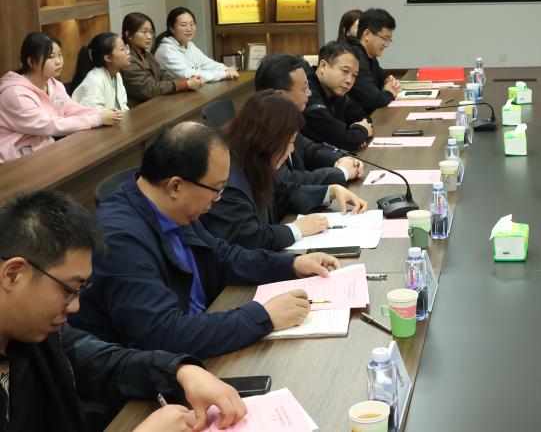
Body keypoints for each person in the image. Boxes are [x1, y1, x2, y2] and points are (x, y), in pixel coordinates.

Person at [70, 122, 344, 358]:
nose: (218, 199)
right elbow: (161, 334)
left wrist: (291, 265)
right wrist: (264, 316)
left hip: (204, 331)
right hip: (167, 368)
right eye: (216, 189)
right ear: (175, 186)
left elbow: (221, 255)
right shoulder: (120, 238)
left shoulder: (171, 208)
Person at [0, 190, 249, 432]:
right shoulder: (34, 328)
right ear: (13, 275)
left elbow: (105, 364)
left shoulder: (39, 334)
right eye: (68, 290)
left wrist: (180, 371)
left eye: (79, 291)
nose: (75, 306)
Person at [200, 91, 367, 251]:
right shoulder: (227, 181)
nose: (292, 149)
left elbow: (283, 194)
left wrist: (330, 191)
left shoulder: (253, 161)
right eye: (290, 141)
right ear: (267, 141)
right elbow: (250, 239)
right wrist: (296, 229)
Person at [0, 33, 119, 164]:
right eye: (51, 57)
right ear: (31, 62)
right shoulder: (14, 93)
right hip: (14, 161)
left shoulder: (53, 84)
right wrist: (97, 119)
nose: (58, 61)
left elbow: (71, 109)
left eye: (60, 55)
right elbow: (49, 124)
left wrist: (101, 113)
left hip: (44, 151)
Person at [255, 53, 364, 185]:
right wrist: (342, 172)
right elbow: (288, 181)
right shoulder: (260, 133)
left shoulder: (284, 121)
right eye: (304, 88)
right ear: (280, 96)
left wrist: (341, 158)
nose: (310, 93)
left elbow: (309, 149)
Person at [303, 40, 374, 152]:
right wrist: (360, 133)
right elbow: (346, 141)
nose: (349, 80)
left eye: (354, 75)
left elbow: (365, 119)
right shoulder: (307, 93)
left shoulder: (336, 93)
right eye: (345, 71)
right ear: (323, 66)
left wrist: (357, 135)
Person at [121, 12, 203, 108]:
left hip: (154, 105)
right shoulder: (126, 59)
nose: (149, 36)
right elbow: (150, 90)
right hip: (138, 111)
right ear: (128, 35)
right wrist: (185, 84)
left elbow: (162, 75)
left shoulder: (147, 54)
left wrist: (189, 81)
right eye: (144, 32)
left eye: (151, 32)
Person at [154, 7, 239, 83]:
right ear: (172, 28)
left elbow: (207, 63)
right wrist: (224, 74)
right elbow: (190, 75)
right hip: (173, 94)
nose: (189, 29)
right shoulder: (166, 50)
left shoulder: (189, 45)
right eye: (183, 25)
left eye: (192, 24)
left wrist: (226, 69)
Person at [346, 7, 401, 114]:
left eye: (389, 40)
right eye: (384, 38)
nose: (386, 45)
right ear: (367, 34)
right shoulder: (354, 57)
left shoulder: (368, 53)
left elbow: (383, 77)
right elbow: (374, 100)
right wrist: (390, 92)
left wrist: (390, 81)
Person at [68, 32, 130, 111]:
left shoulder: (117, 75)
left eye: (126, 47)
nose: (128, 52)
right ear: (108, 58)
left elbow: (123, 106)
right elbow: (94, 114)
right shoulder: (94, 79)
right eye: (122, 49)